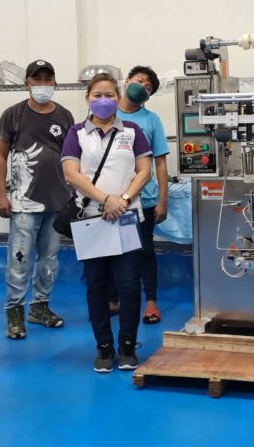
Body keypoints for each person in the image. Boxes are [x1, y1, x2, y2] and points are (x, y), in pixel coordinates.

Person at [61, 73, 151, 372]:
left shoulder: (133, 131)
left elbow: (144, 171)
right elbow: (72, 174)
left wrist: (122, 199)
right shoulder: (76, 133)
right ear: (87, 98)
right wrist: (105, 199)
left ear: (118, 98)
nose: (104, 100)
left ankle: (127, 346)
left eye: (110, 95)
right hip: (92, 220)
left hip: (126, 218)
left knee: (128, 286)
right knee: (97, 286)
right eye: (97, 94)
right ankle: (103, 347)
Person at [0, 59, 74, 338]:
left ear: (55, 82)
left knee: (49, 259)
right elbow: (1, 155)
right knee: (19, 258)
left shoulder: (65, 116)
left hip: (58, 201)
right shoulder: (12, 114)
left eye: (47, 78)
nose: (42, 84)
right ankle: (14, 313)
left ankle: (40, 307)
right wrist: (2, 195)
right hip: (23, 203)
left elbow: (71, 158)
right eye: (36, 79)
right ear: (26, 83)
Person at [110, 65, 170, 324]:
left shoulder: (151, 120)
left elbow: (161, 163)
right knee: (112, 249)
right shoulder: (104, 113)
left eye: (148, 87)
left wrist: (162, 200)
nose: (142, 87)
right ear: (126, 81)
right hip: (110, 198)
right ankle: (112, 300)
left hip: (143, 199)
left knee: (145, 250)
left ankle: (151, 302)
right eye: (140, 81)